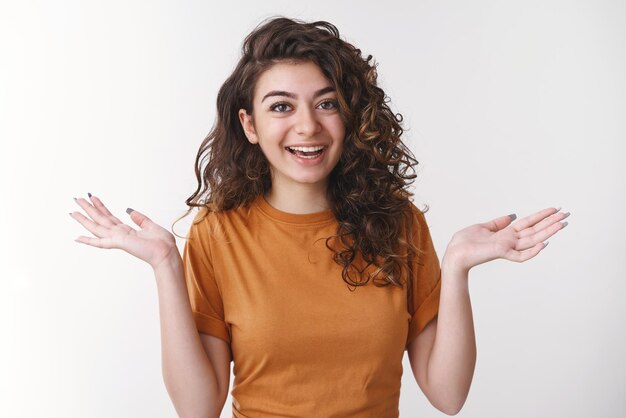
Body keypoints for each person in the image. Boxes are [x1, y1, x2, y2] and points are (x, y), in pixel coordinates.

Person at [70, 16, 570, 418]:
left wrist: (457, 265)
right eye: (281, 106)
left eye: (326, 103)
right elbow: (198, 409)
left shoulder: (398, 223)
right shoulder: (218, 233)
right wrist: (165, 265)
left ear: (349, 116)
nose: (307, 126)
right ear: (249, 125)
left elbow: (448, 396)